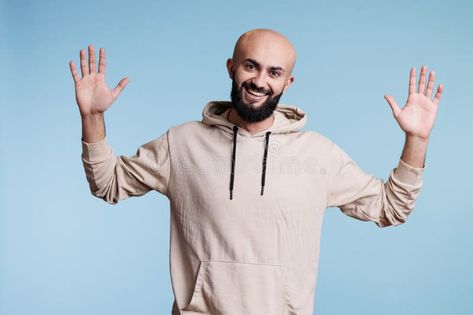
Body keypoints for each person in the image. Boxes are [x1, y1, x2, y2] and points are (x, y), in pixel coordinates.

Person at [69, 29, 443, 315]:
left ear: (287, 82)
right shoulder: (180, 144)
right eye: (251, 66)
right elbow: (108, 183)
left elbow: (391, 208)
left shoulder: (318, 155)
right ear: (232, 68)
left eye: (273, 72)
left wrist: (417, 138)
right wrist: (92, 116)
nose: (260, 81)